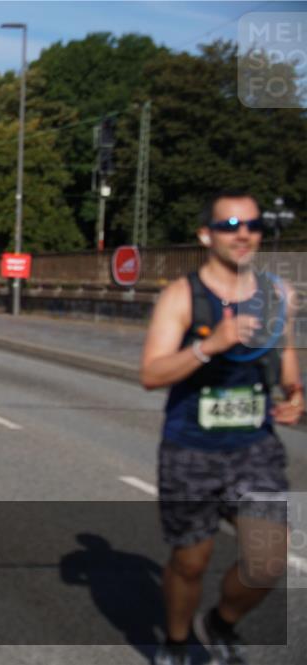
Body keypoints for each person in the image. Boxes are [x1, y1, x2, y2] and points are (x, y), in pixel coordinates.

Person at [140, 190, 300, 665]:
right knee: (191, 561)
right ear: (206, 234)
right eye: (230, 226)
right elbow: (151, 374)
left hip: (254, 447)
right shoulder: (182, 296)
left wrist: (295, 397)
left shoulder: (278, 294)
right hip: (190, 448)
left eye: (251, 225)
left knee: (268, 559)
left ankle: (222, 622)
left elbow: (286, 361)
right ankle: (175, 641)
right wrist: (211, 345)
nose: (243, 234)